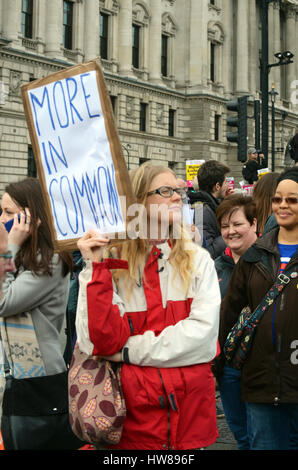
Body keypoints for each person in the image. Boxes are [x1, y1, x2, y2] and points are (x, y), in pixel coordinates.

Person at [75, 163, 221, 450]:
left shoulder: (198, 259)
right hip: (133, 423)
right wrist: (95, 268)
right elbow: (96, 341)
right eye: (165, 191)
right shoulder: (111, 262)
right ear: (139, 200)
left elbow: (203, 341)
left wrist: (128, 351)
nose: (177, 197)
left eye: (178, 191)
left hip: (190, 419)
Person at [218, 167, 298, 450]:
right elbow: (228, 314)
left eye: (292, 200)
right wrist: (219, 362)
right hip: (261, 385)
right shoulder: (255, 255)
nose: (283, 206)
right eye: (278, 200)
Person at [0, 177, 73, 410]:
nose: (1, 219)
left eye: (8, 212)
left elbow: (3, 301)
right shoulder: (22, 254)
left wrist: (8, 247)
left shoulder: (51, 260)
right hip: (14, 373)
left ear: (31, 218)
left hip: (37, 377)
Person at [213, 194, 258, 450]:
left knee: (263, 437)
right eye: (225, 226)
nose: (231, 231)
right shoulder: (216, 267)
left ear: (253, 224)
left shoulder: (270, 262)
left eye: (237, 224)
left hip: (261, 367)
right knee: (242, 437)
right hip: (227, 367)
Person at [188, 160, 231, 259]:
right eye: (226, 182)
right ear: (217, 186)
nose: (228, 185)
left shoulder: (211, 205)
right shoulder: (202, 211)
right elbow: (207, 251)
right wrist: (228, 233)